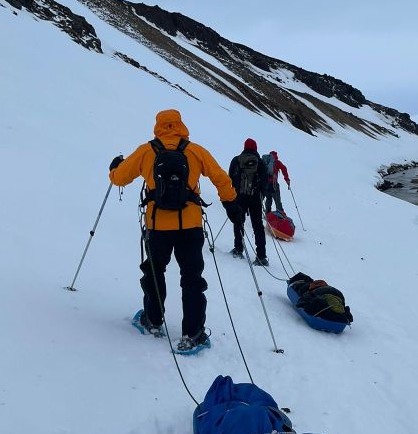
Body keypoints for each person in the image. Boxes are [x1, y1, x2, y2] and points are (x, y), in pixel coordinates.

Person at [109, 108, 241, 352]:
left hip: (158, 225)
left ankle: (152, 320)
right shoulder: (194, 150)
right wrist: (231, 202)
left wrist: (114, 168)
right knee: (191, 277)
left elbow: (120, 178)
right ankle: (193, 334)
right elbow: (220, 177)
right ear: (180, 125)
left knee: (154, 271)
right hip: (190, 226)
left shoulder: (147, 150)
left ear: (158, 126)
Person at [228, 138, 269, 266]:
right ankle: (261, 256)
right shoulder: (261, 163)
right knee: (258, 226)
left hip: (240, 197)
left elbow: (230, 176)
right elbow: (265, 182)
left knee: (238, 222)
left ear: (244, 147)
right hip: (255, 198)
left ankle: (238, 249)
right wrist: (261, 194)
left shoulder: (237, 160)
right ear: (255, 148)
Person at [262, 150, 290, 214]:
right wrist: (287, 179)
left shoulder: (265, 161)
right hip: (274, 184)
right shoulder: (277, 162)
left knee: (268, 199)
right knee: (277, 200)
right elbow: (284, 168)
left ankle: (268, 214)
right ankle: (281, 214)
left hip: (266, 184)